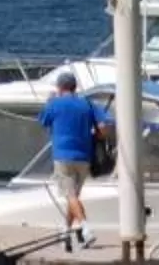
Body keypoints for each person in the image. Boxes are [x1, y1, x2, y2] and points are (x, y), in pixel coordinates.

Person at [36, 68, 113, 250]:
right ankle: (65, 233)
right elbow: (104, 126)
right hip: (84, 157)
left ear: (59, 87)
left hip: (63, 156)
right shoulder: (87, 104)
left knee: (70, 196)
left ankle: (86, 229)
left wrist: (50, 101)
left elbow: (43, 122)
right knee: (74, 197)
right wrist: (96, 137)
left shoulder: (54, 104)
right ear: (75, 87)